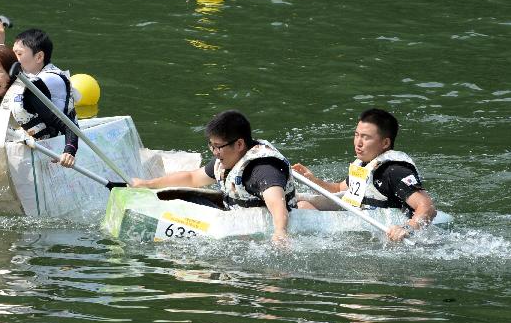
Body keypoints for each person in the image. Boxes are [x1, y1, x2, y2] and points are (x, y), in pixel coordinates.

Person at [130, 110, 297, 242]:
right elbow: (192, 178)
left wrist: (280, 233)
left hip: (254, 225)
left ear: (239, 144)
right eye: (211, 145)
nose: (215, 152)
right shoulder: (229, 159)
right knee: (183, 199)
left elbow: (277, 204)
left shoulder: (263, 169)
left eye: (218, 147)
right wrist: (148, 184)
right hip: (233, 212)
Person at [292, 107, 437, 242]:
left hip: (387, 234)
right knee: (301, 204)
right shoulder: (365, 164)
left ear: (385, 143)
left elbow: (427, 207)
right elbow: (339, 189)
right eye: (357, 135)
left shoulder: (394, 171)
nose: (358, 143)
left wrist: (407, 228)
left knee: (303, 207)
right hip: (360, 222)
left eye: (366, 137)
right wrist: (312, 179)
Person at [0, 45, 78, 167]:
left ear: (10, 73)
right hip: (5, 157)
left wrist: (69, 151)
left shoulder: (27, 94)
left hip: (39, 155)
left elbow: (69, 125)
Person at [0, 22, 80, 117]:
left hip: (57, 131)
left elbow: (29, 87)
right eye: (13, 53)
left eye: (19, 54)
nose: (13, 58)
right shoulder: (26, 75)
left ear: (39, 57)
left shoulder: (53, 79)